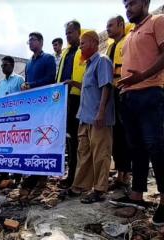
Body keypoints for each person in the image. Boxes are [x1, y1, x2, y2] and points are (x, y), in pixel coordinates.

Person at [109, 0, 164, 226]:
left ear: (144, 2)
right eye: (125, 5)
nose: (128, 8)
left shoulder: (158, 21)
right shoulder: (131, 34)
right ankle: (136, 196)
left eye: (132, 3)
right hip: (129, 97)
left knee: (156, 146)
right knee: (137, 148)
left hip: (150, 92)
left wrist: (143, 76)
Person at [61, 31, 115, 204]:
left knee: (100, 154)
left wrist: (100, 113)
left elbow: (106, 87)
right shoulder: (88, 65)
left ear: (93, 42)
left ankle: (99, 190)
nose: (81, 47)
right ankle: (80, 187)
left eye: (83, 43)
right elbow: (87, 87)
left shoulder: (102, 61)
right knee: (83, 153)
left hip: (98, 118)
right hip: (84, 117)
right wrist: (72, 83)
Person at [22, 31, 56, 197]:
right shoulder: (28, 63)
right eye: (28, 41)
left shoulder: (48, 59)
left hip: (45, 107)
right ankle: (33, 172)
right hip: (32, 109)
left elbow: (51, 79)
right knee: (32, 140)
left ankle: (42, 177)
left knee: (44, 139)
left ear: (41, 42)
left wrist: (32, 85)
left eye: (33, 40)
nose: (30, 43)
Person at [56, 20, 87, 189]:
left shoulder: (83, 51)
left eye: (70, 32)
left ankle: (77, 177)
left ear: (78, 32)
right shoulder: (66, 53)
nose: (68, 36)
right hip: (64, 100)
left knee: (77, 140)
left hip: (79, 98)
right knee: (69, 139)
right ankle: (70, 175)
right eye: (66, 33)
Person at [106, 15, 132, 190]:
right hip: (112, 93)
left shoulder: (129, 41)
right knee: (116, 134)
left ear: (121, 25)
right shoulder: (110, 46)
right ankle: (120, 172)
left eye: (110, 25)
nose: (107, 29)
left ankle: (127, 174)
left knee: (127, 133)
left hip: (126, 90)